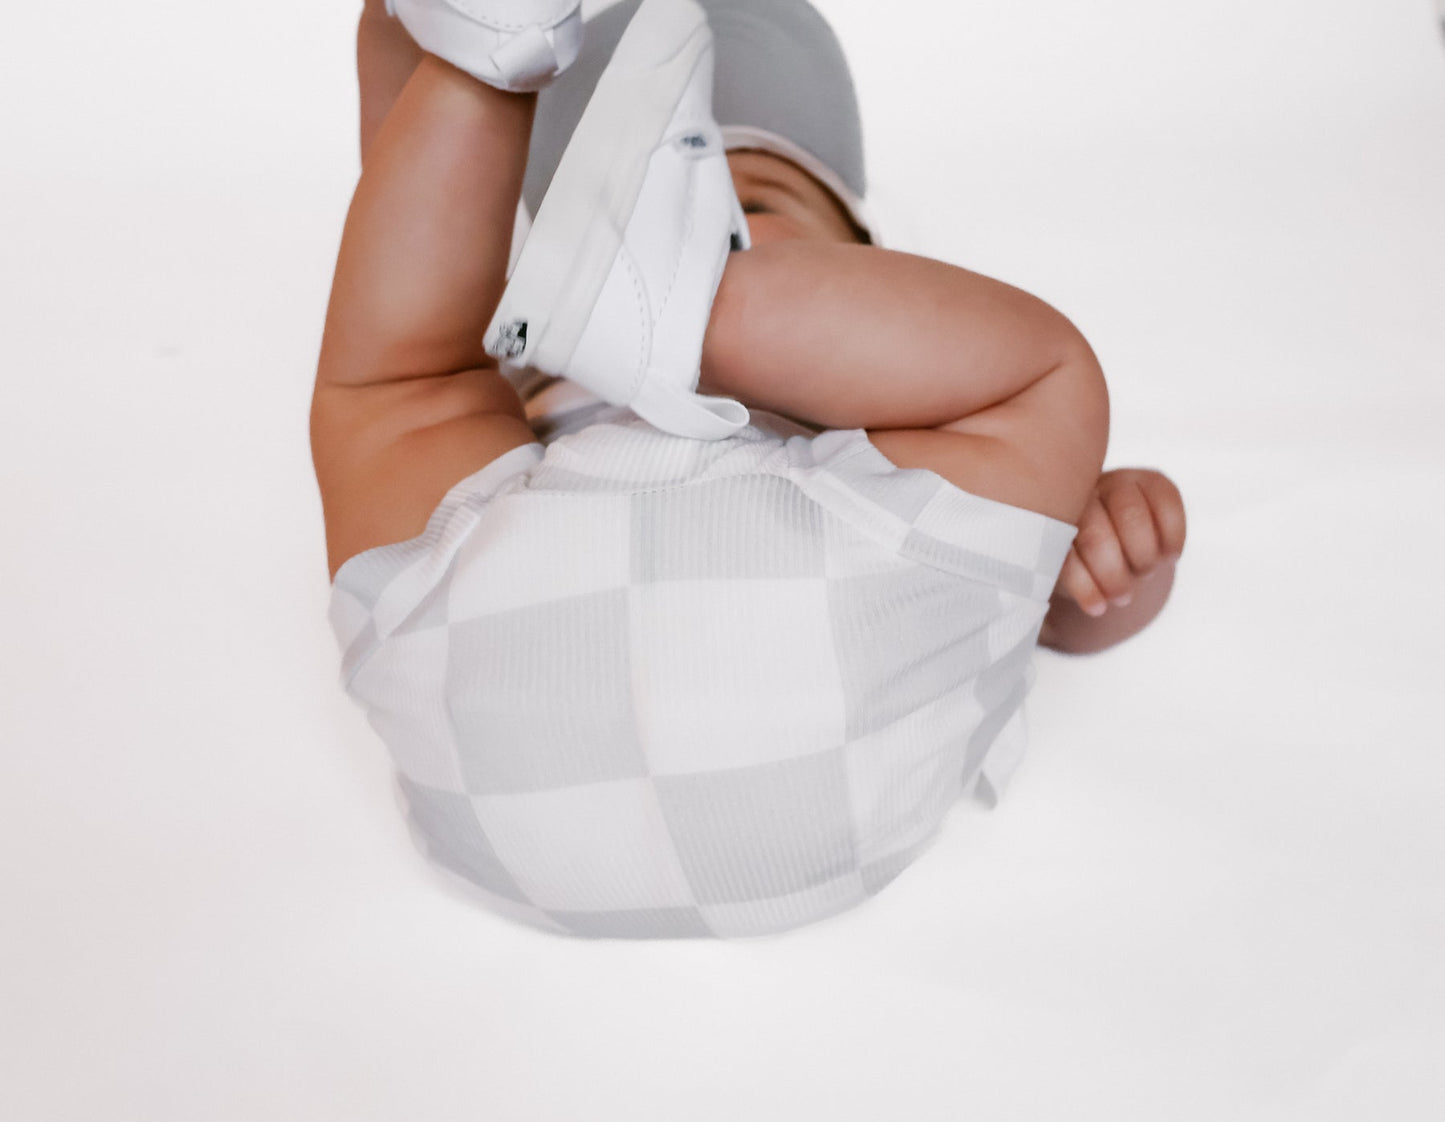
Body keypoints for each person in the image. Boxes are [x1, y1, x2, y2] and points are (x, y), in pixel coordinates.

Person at [314, 0, 1188, 940]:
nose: (717, 220)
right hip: (825, 769)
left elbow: (1054, 617)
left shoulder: (523, 368)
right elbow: (999, 597)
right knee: (1045, 384)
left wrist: (1108, 568)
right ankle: (478, 66)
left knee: (409, 379)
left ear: (874, 269)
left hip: (482, 748)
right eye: (688, 222)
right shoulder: (939, 469)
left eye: (744, 220)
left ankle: (477, 66)